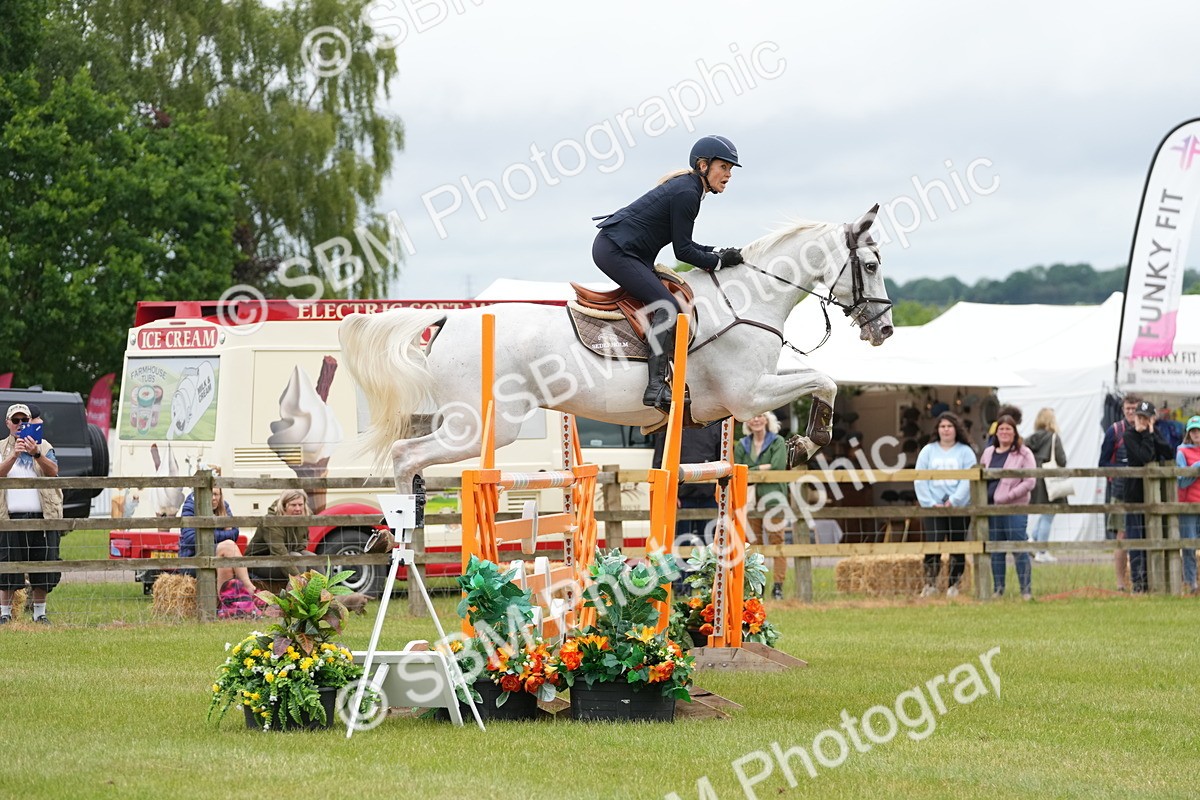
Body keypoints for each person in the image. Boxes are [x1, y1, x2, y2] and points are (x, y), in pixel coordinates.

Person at [592, 134, 743, 412]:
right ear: (703, 166)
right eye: (724, 167)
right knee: (669, 308)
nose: (728, 174)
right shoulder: (688, 193)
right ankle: (655, 385)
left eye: (731, 169)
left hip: (624, 251)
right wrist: (719, 263)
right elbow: (683, 252)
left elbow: (686, 244)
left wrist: (719, 253)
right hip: (616, 251)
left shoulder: (689, 187)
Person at [0, 403, 62, 625]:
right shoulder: (1, 448)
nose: (19, 425)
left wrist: (35, 453)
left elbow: (54, 471)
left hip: (41, 516)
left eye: (23, 421)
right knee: (7, 566)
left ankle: (39, 614)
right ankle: (4, 614)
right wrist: (13, 456)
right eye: (15, 421)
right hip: (8, 518)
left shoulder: (44, 446)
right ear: (7, 423)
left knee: (43, 565)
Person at [913, 412, 976, 598]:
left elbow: (968, 480)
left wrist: (954, 500)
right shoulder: (928, 451)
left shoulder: (966, 452)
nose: (946, 430)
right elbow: (919, 478)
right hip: (933, 507)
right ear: (937, 429)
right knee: (934, 544)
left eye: (949, 426)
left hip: (958, 507)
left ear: (956, 429)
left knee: (957, 545)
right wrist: (930, 503)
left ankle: (953, 585)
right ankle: (930, 584)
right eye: (942, 426)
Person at [734, 412, 790, 600]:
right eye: (752, 416)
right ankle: (758, 586)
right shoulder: (742, 444)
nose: (756, 419)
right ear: (747, 421)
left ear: (767, 419)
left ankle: (778, 586)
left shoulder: (778, 441)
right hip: (749, 501)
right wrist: (762, 467)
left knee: (777, 543)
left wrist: (752, 470)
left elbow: (778, 466)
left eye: (760, 416)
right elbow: (737, 469)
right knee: (754, 544)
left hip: (773, 499)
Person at [980, 415, 1036, 600]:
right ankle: (998, 589)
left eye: (1008, 429)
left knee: (1018, 547)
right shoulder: (988, 453)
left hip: (1014, 509)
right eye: (1001, 429)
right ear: (996, 433)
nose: (1004, 433)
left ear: (1014, 432)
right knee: (996, 549)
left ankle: (1025, 590)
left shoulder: (1023, 453)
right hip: (992, 508)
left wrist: (1009, 496)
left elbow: (1029, 481)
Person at [1123, 400, 1174, 594]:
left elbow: (1168, 452)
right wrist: (1146, 434)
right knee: (1137, 540)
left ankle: (1156, 580)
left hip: (1154, 497)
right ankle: (1138, 584)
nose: (1142, 421)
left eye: (1146, 418)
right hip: (1135, 496)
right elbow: (1144, 457)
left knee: (1153, 538)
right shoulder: (1129, 435)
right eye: (1139, 417)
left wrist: (1151, 433)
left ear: (1152, 419)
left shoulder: (1153, 434)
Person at [178, 466, 256, 594]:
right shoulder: (190, 506)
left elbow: (235, 533)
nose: (213, 498)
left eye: (216, 494)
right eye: (210, 493)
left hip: (217, 554)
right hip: (193, 559)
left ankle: (227, 604)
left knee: (225, 560)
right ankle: (249, 588)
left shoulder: (224, 506)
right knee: (228, 547)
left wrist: (214, 537)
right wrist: (222, 538)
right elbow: (191, 539)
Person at [1100, 395, 1139, 591]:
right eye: (1128, 408)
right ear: (1123, 410)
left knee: (1141, 536)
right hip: (1121, 491)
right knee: (1122, 537)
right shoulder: (1114, 431)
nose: (1131, 412)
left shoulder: (1147, 429)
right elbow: (1103, 463)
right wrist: (1120, 470)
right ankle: (1121, 583)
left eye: (1134, 408)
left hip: (1142, 491)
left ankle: (1139, 580)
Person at [1025, 408, 1069, 563]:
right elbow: (1062, 460)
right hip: (1050, 480)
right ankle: (1041, 551)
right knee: (1048, 515)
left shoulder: (1030, 439)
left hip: (1035, 480)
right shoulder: (1053, 437)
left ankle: (1033, 541)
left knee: (1045, 514)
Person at [245, 489, 315, 582]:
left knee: (313, 558)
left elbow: (304, 540)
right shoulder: (272, 521)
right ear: (284, 506)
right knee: (297, 558)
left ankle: (323, 591)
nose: (298, 509)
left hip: (288, 553)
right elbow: (279, 553)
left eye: (300, 505)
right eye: (293, 505)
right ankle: (297, 593)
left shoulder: (302, 516)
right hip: (258, 561)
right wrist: (297, 578)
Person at [1175, 415, 1200, 595]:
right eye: (1193, 431)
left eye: (1198, 430)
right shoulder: (1182, 452)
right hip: (1188, 505)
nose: (1196, 434)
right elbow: (1182, 481)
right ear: (1188, 434)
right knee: (1189, 545)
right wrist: (1197, 469)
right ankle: (1191, 583)